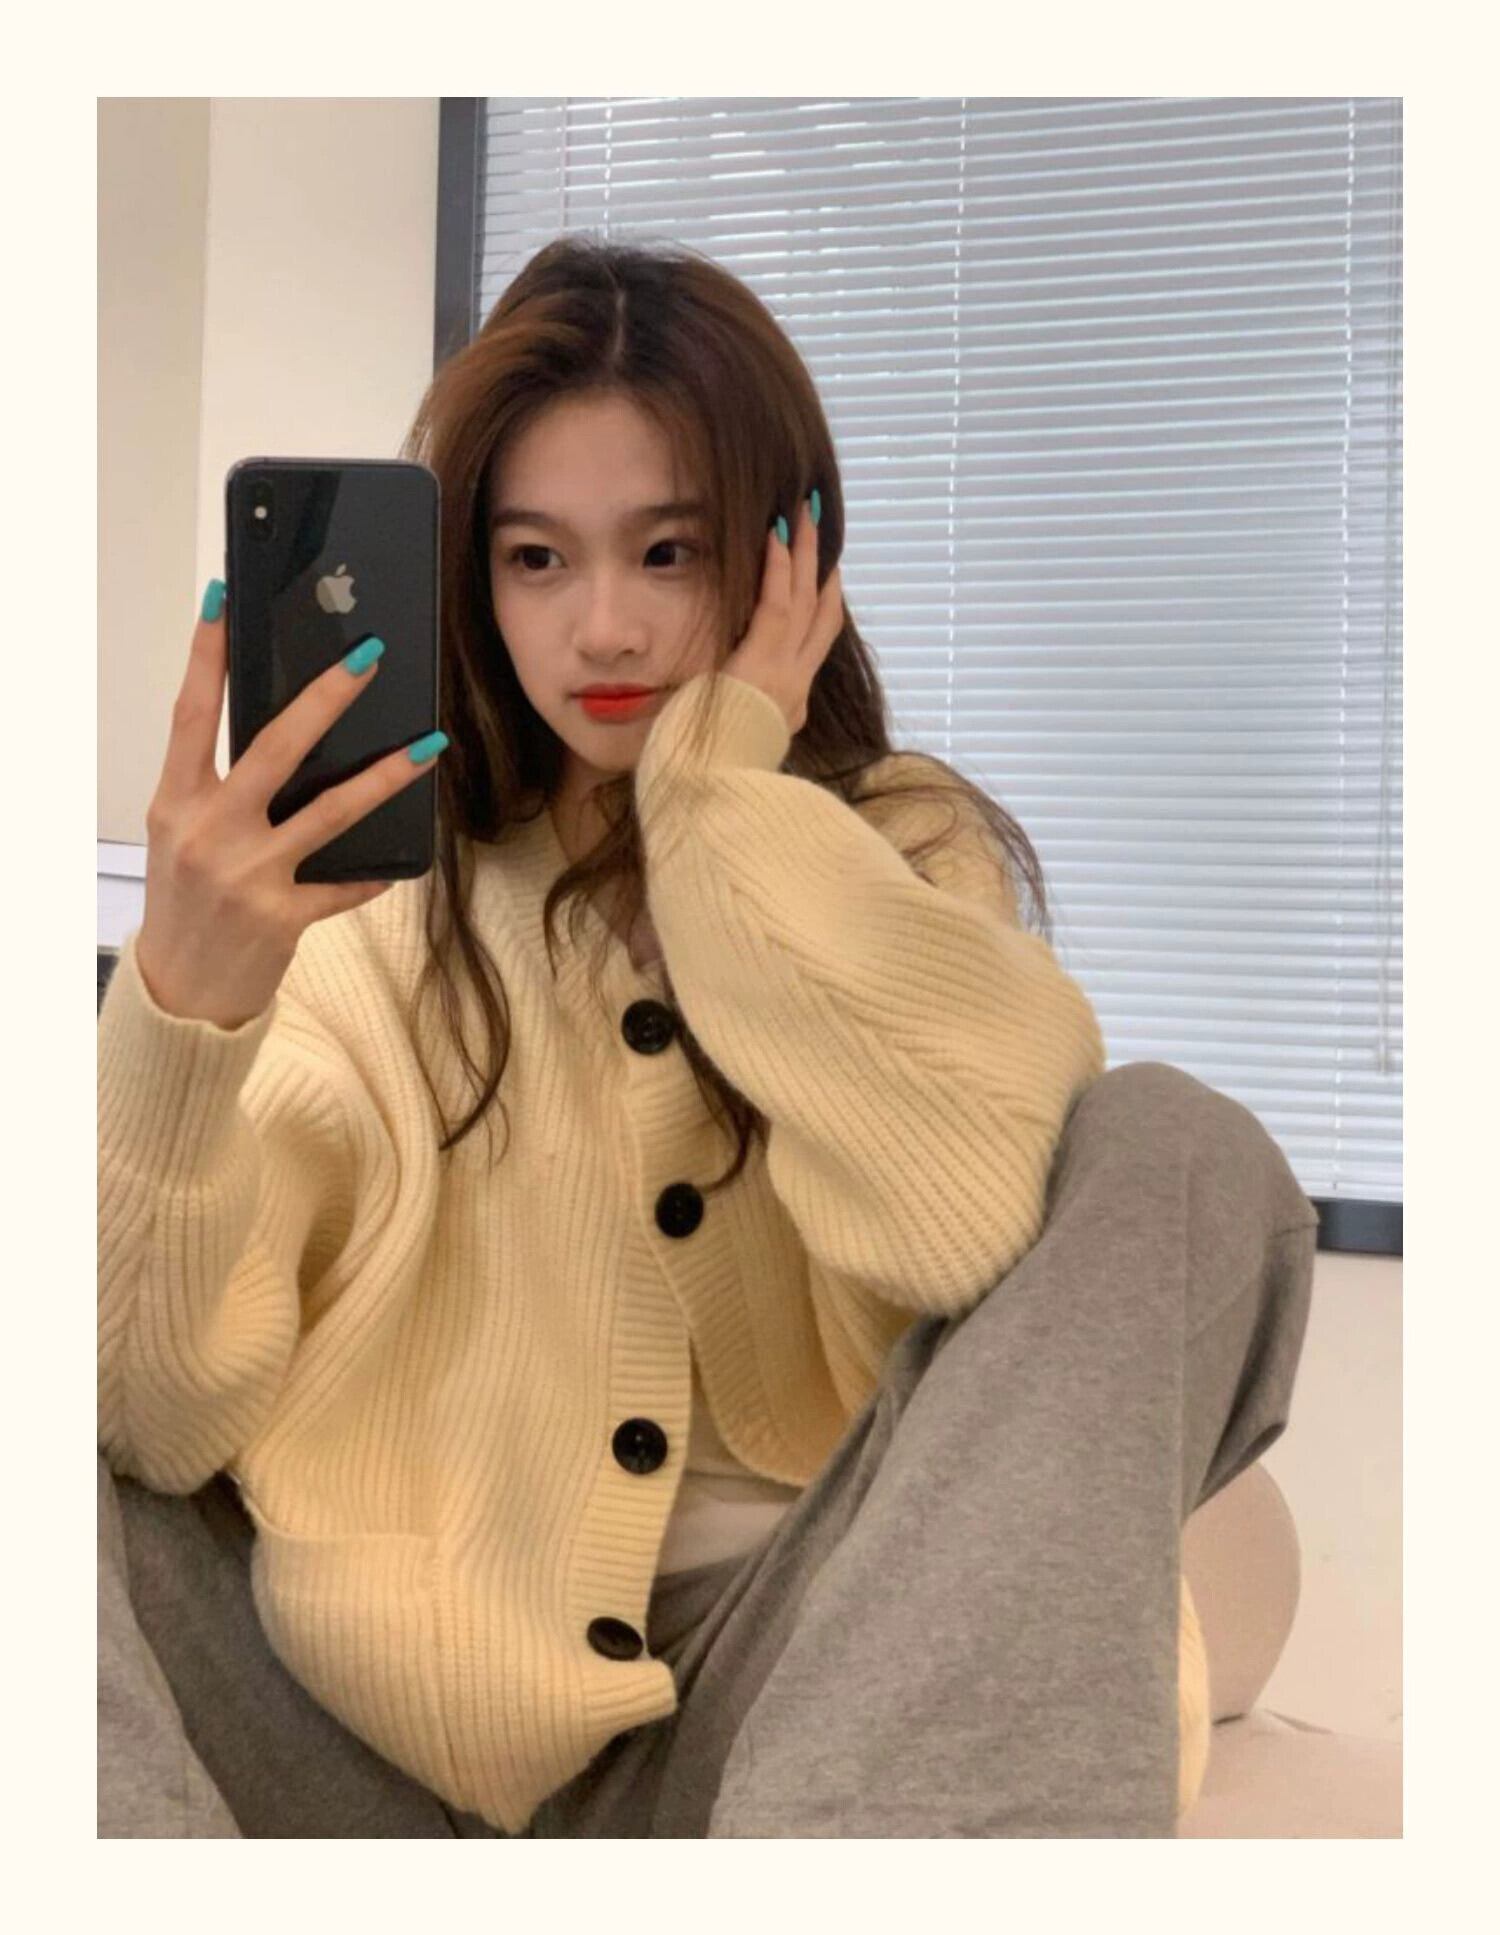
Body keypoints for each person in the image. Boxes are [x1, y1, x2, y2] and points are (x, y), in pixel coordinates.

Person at [98, 235, 1317, 1838]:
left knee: (1176, 1147)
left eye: (665, 552)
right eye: (537, 559)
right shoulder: (366, 924)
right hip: (381, 1760)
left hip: (808, 1727)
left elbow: (956, 1236)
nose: (603, 628)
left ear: (782, 559)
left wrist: (720, 808)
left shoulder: (896, 853)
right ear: (473, 580)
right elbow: (153, 1419)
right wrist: (183, 1012)